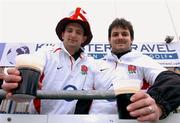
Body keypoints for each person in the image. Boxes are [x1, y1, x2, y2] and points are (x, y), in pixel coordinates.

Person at [1, 7, 96, 114]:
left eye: (78, 32)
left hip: (75, 121)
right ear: (62, 34)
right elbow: (23, 91)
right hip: (41, 119)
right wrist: (15, 82)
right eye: (69, 30)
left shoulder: (91, 63)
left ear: (84, 38)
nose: (73, 35)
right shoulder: (45, 53)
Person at [84, 18, 180, 122]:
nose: (120, 37)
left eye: (124, 34)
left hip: (130, 120)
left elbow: (174, 81)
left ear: (132, 39)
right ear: (109, 40)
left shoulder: (142, 60)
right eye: (115, 34)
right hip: (96, 119)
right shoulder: (96, 63)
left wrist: (157, 104)